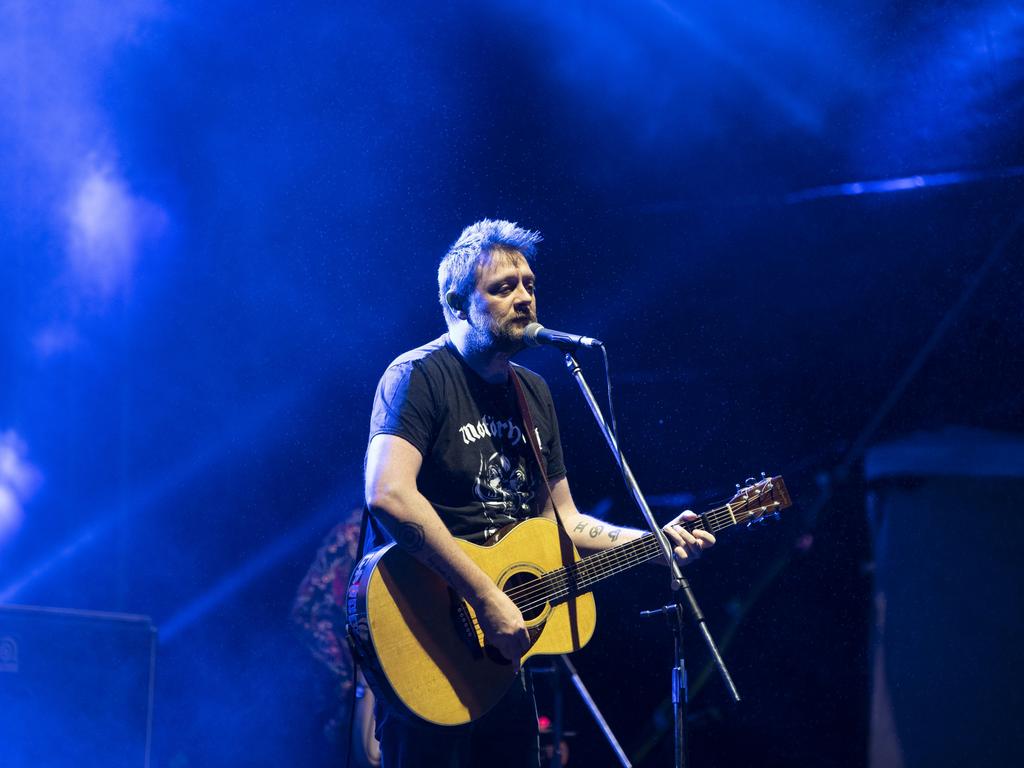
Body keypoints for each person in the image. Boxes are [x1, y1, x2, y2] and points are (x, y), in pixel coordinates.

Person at [363, 219, 715, 767]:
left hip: (501, 660)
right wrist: (486, 595)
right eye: (504, 287)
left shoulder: (534, 392)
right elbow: (388, 494)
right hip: (429, 637)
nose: (524, 297)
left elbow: (565, 522)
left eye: (529, 284)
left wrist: (652, 539)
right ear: (458, 304)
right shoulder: (419, 376)